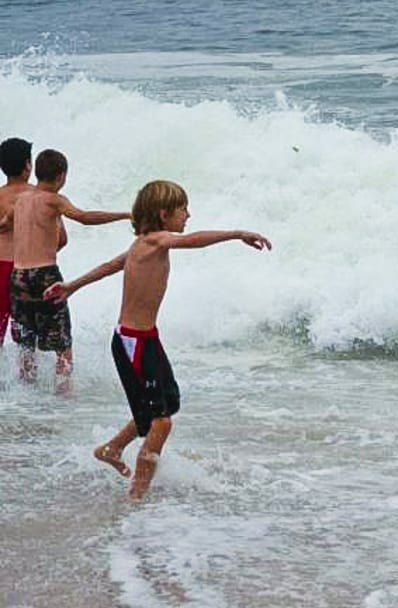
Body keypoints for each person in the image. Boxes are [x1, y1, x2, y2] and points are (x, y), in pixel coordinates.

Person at [44, 180, 272, 500]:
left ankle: (112, 448)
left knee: (167, 405)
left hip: (145, 338)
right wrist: (237, 233)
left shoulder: (141, 245)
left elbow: (109, 266)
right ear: (164, 214)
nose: (188, 215)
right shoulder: (156, 241)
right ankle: (138, 494)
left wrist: (71, 286)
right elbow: (193, 240)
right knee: (161, 422)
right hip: (133, 342)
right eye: (183, 209)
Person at [8, 149, 129, 392]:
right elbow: (84, 217)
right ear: (61, 175)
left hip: (18, 275)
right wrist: (125, 215)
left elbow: (6, 221)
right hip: (45, 275)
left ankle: (25, 394)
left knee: (25, 343)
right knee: (62, 345)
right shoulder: (54, 199)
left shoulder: (21, 199)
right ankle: (63, 396)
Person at [0, 138, 36, 346]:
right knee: (26, 337)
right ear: (27, 165)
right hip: (28, 267)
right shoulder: (40, 196)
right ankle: (27, 369)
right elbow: (61, 239)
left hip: (1, 265)